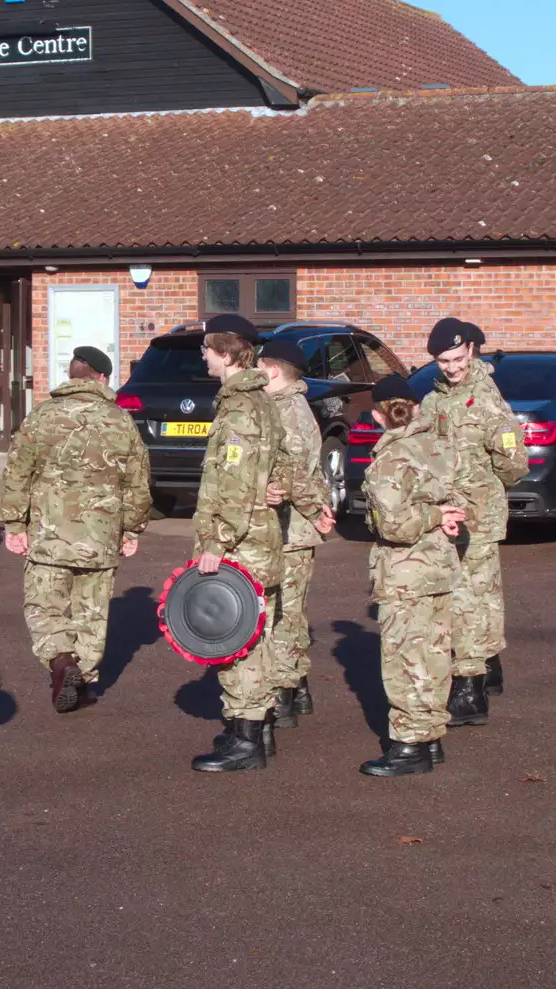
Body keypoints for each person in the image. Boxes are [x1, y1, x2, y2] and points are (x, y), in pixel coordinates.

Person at [0, 345, 150, 711]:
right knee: (91, 615)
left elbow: (17, 471)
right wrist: (132, 529)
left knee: (44, 607)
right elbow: (138, 481)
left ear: (72, 374)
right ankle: (80, 677)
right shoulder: (120, 420)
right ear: (102, 378)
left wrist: (14, 522)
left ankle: (61, 662)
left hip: (50, 535)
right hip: (100, 537)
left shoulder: (41, 416)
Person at [188, 314, 309, 773]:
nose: (202, 355)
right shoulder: (262, 403)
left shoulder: (240, 409)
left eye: (206, 348)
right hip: (262, 537)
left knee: (238, 640)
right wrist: (274, 489)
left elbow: (235, 484)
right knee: (255, 637)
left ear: (225, 351)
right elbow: (280, 464)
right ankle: (254, 731)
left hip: (241, 543)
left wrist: (216, 542)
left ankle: (246, 740)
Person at [420, 317, 528, 727]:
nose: (450, 368)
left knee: (468, 600)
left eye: (455, 358)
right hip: (446, 516)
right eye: (442, 361)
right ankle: (489, 665)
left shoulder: (486, 400)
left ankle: (470, 690)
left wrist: (481, 488)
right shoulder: (433, 400)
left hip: (478, 517)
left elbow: (514, 464)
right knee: (478, 596)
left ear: (470, 350)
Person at [358, 373, 466, 776]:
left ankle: (408, 745)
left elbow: (395, 526)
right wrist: (442, 516)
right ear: (417, 407)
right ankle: (430, 737)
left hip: (407, 572)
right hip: (439, 566)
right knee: (435, 655)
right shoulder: (436, 446)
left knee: (404, 658)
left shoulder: (391, 458)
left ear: (376, 415)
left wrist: (433, 515)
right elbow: (458, 494)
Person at [258, 339, 335, 728]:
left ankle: (284, 694)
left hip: (293, 528)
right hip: (292, 526)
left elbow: (295, 472)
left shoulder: (289, 412)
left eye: (259, 367)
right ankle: (298, 685)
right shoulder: (285, 407)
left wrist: (280, 490)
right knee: (290, 610)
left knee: (285, 613)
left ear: (272, 371)